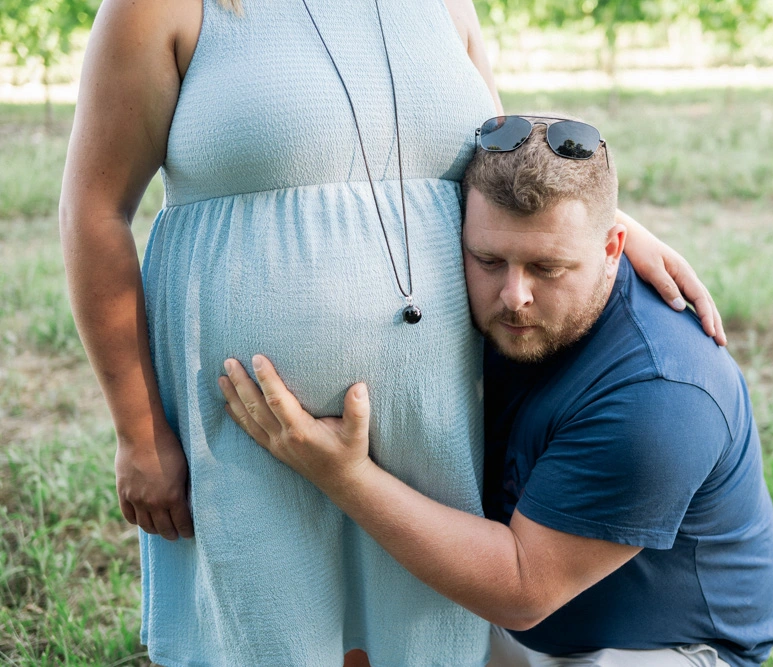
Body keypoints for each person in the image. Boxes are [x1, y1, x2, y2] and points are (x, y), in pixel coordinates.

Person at [59, 0, 726, 663]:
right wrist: (139, 431)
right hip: (250, 416)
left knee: (418, 626)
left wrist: (608, 233)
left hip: (429, 417)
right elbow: (93, 209)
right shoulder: (160, 8)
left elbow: (496, 165)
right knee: (269, 634)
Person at [218, 117, 773, 666]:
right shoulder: (491, 290)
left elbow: (521, 589)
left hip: (656, 647)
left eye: (547, 267)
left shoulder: (660, 393)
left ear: (613, 248)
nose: (514, 295)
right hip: (515, 627)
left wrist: (344, 475)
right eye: (489, 260)